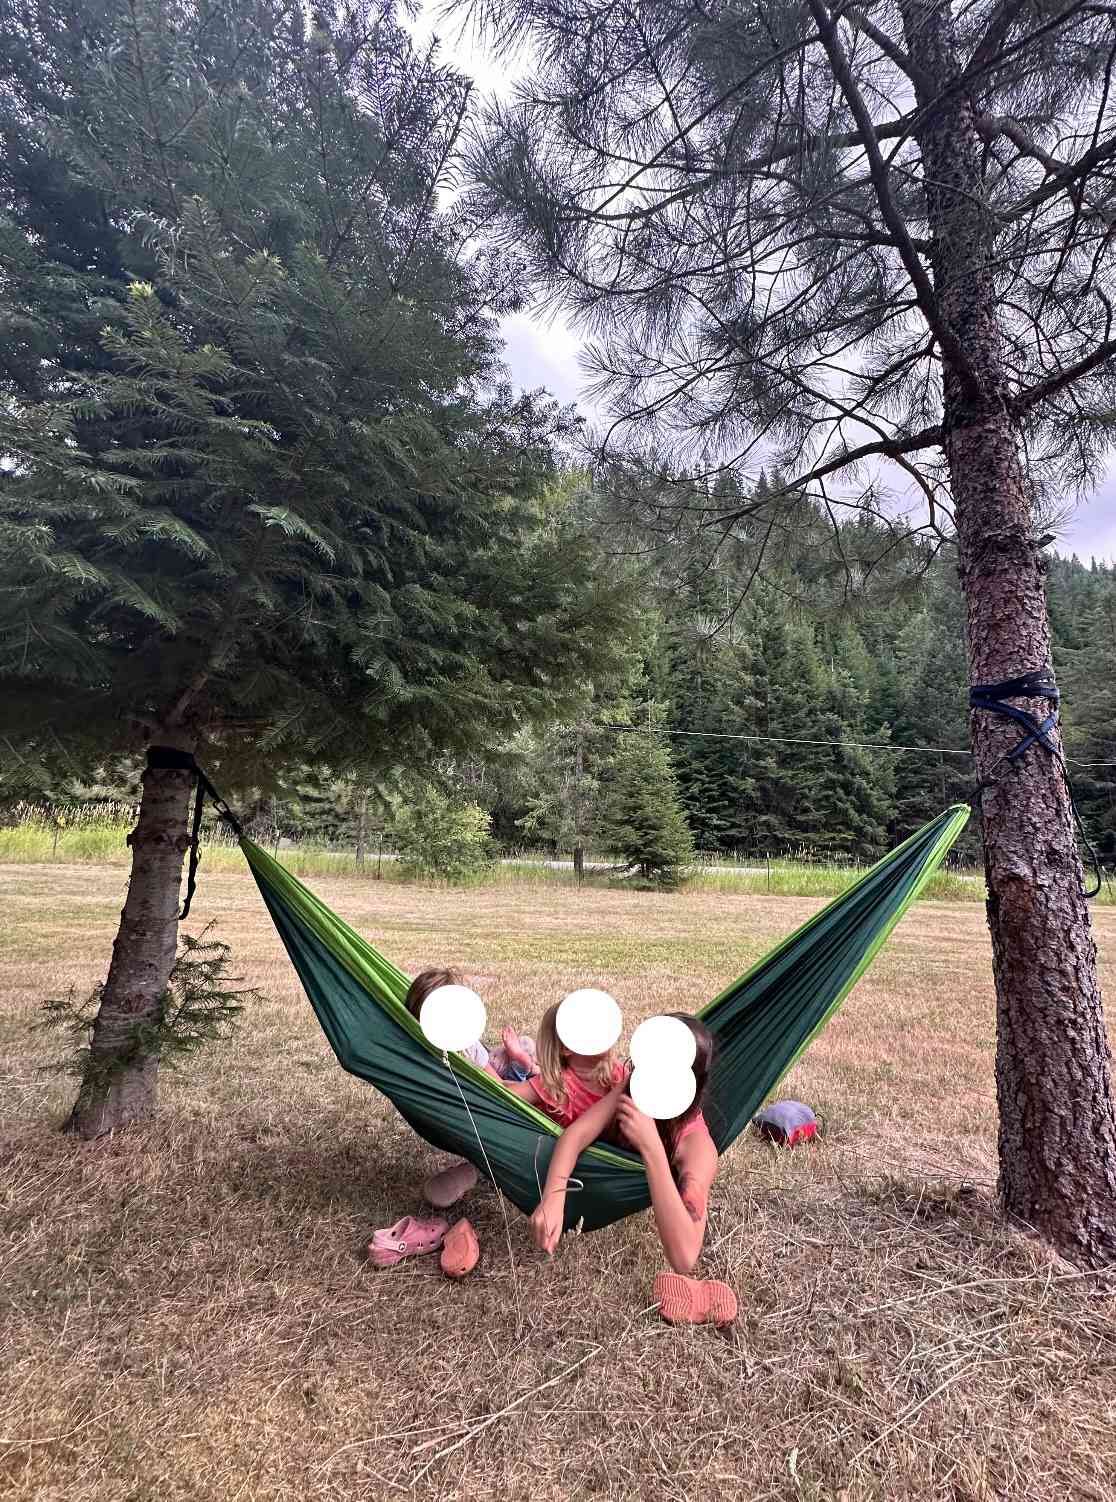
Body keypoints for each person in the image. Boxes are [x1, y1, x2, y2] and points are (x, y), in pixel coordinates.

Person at [528, 1014, 737, 1326]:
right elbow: (577, 1135)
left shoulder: (696, 1146)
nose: (641, 1078)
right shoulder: (630, 1088)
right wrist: (554, 1195)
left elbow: (684, 1256)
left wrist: (651, 1147)